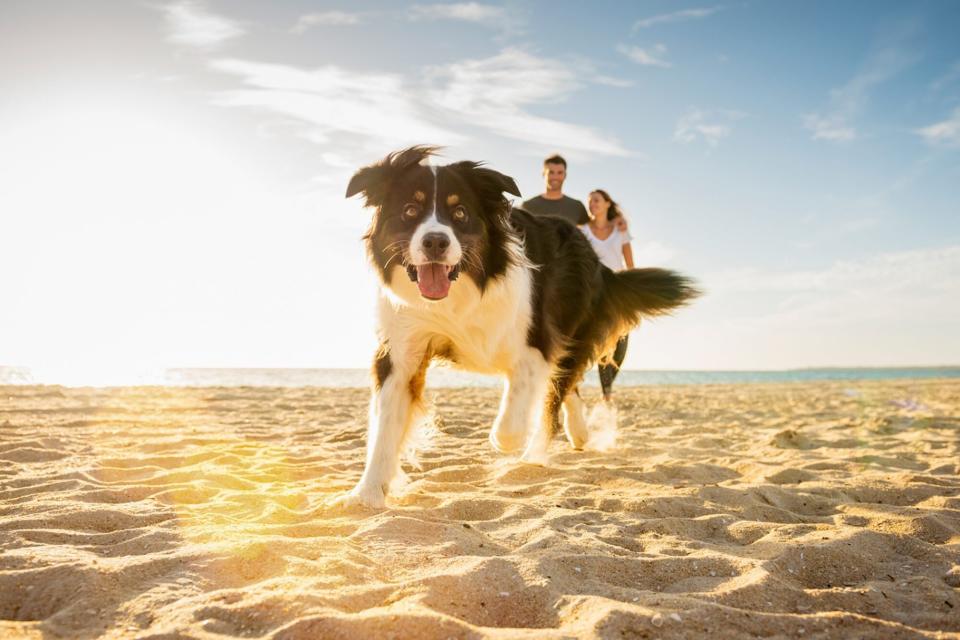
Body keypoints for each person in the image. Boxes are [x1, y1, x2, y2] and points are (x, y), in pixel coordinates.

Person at [579, 189, 634, 402]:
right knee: (603, 340)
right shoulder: (583, 230)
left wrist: (632, 290)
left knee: (621, 343)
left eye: (597, 200)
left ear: (607, 204)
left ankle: (607, 387)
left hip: (618, 292)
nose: (592, 204)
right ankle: (607, 394)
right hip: (594, 291)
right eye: (590, 201)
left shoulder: (620, 230)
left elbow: (630, 264)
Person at [521, 154, 628, 231]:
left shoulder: (576, 206)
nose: (555, 177)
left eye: (560, 172)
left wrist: (616, 220)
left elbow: (595, 226)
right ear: (544, 174)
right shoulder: (528, 206)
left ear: (565, 175)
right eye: (551, 172)